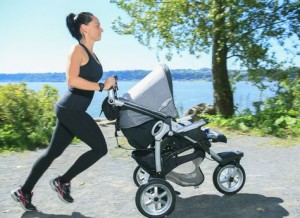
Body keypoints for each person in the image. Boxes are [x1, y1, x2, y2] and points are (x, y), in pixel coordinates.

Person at [11, 12, 116, 211]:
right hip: (71, 109)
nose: (101, 29)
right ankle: (62, 181)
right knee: (100, 148)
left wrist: (109, 85)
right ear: (84, 28)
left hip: (73, 109)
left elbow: (88, 81)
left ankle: (24, 191)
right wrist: (101, 86)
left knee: (53, 152)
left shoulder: (92, 53)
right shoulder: (77, 50)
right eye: (97, 25)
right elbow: (72, 80)